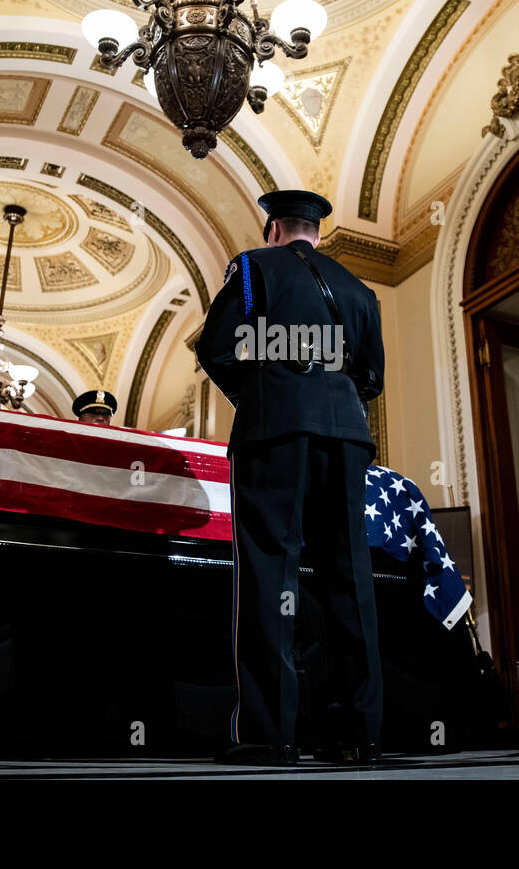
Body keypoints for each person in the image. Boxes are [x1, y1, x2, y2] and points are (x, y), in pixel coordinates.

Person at [196, 189, 385, 766]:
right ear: (317, 233)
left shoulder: (253, 267)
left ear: (273, 228)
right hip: (348, 436)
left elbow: (216, 347)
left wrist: (259, 395)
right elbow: (371, 376)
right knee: (349, 577)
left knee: (269, 572)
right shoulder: (360, 290)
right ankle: (358, 732)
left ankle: (271, 734)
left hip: (276, 428)